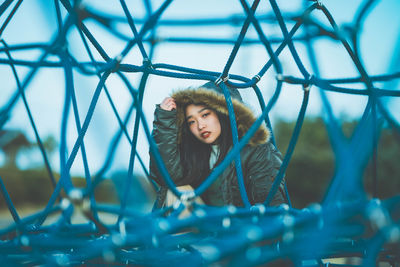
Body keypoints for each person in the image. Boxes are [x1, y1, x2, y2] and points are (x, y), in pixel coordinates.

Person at [149, 82, 286, 209]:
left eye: (205, 115)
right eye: (191, 122)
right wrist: (165, 122)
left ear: (222, 112)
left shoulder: (256, 150)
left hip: (242, 227)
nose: (200, 126)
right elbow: (166, 177)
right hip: (206, 226)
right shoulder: (197, 152)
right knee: (177, 191)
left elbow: (270, 201)